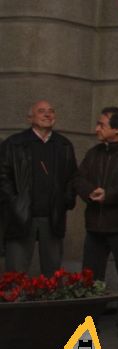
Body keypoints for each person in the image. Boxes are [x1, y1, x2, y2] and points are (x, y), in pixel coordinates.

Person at [75, 107, 118, 334]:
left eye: (101, 124)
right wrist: (90, 192)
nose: (96, 129)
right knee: (90, 276)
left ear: (116, 128)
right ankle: (89, 320)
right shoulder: (94, 153)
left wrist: (109, 195)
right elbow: (79, 178)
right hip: (95, 224)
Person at [1, 100, 77, 275]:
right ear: (30, 118)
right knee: (15, 275)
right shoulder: (14, 143)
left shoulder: (64, 145)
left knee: (53, 274)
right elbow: (2, 176)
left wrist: (66, 200)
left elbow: (73, 177)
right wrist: (14, 202)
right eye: (41, 111)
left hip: (52, 217)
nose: (47, 114)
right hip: (21, 216)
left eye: (51, 111)